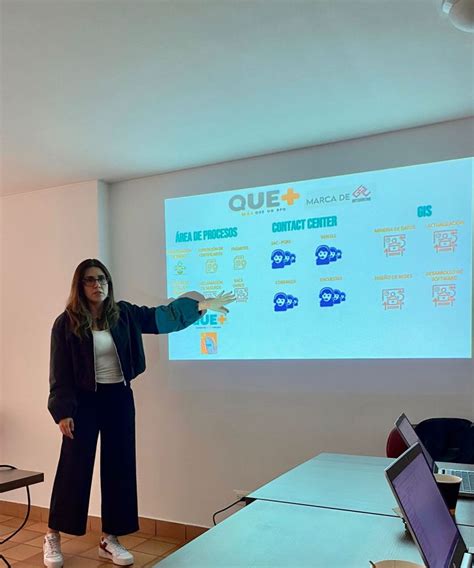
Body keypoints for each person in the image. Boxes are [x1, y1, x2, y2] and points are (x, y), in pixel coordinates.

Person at [43, 258, 235, 568]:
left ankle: (110, 538)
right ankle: (53, 534)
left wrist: (200, 306)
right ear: (80, 286)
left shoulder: (124, 314)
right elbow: (60, 371)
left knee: (119, 466)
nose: (97, 285)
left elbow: (162, 318)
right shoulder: (66, 323)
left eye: (102, 279)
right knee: (73, 467)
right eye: (90, 280)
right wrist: (62, 411)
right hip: (82, 402)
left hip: (118, 397)